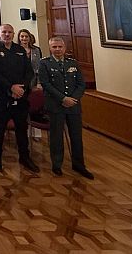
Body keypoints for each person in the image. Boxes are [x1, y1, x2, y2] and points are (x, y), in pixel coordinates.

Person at [0, 24, 39, 173]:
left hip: (20, 95)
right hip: (2, 95)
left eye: (10, 32)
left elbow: (29, 72)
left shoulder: (19, 50)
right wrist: (11, 87)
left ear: (13, 34)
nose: (7, 34)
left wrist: (21, 88)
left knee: (21, 127)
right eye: (4, 32)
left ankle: (24, 157)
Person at [38, 37, 93, 179]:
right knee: (56, 137)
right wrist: (63, 99)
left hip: (73, 105)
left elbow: (81, 84)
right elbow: (46, 84)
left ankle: (79, 165)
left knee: (76, 136)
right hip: (56, 105)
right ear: (50, 48)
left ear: (64, 47)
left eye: (60, 47)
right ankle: (57, 164)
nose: (57, 49)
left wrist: (73, 99)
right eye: (54, 47)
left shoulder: (72, 63)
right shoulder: (44, 63)